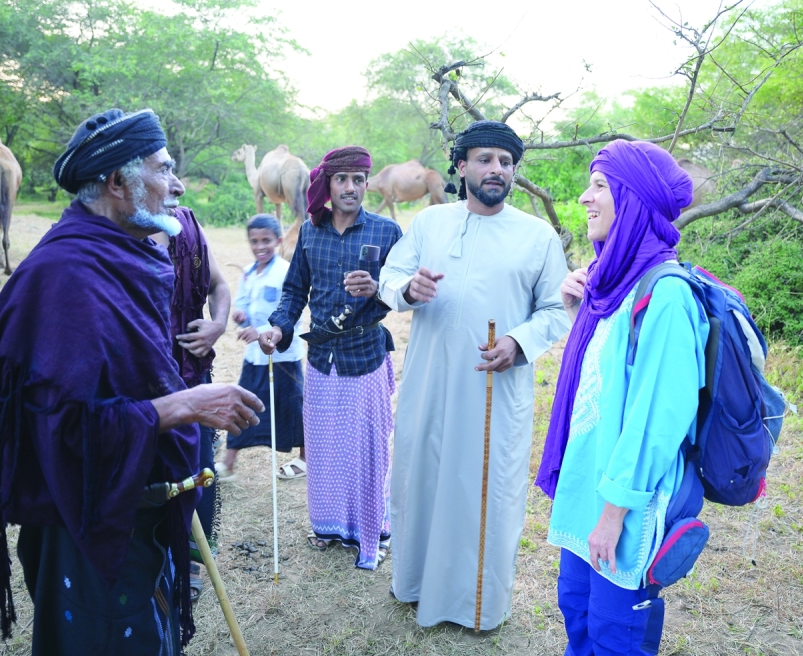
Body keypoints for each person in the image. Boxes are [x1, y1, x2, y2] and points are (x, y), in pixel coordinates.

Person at [0, 108, 264, 655]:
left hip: (136, 503)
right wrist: (184, 406)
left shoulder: (120, 255)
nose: (177, 183)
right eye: (163, 169)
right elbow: (61, 428)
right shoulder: (67, 275)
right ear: (116, 182)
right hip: (92, 517)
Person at [378, 120, 571, 630]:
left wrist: (518, 342)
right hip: (428, 384)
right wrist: (406, 290)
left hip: (494, 391)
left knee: (483, 490)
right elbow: (389, 278)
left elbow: (556, 310)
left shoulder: (538, 235)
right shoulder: (429, 223)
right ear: (461, 166)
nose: (497, 170)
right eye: (485, 159)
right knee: (421, 479)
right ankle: (415, 584)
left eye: (506, 163)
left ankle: (475, 606)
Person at [536, 139, 709, 655]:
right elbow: (605, 382)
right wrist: (577, 316)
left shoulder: (668, 295)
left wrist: (613, 516)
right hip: (587, 492)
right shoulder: (611, 286)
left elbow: (657, 419)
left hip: (625, 506)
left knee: (616, 637)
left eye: (600, 186)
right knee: (580, 616)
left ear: (632, 200)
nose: (585, 197)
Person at [258, 146, 402, 570]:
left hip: (365, 355)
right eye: (343, 179)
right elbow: (293, 292)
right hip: (320, 358)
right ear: (329, 183)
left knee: (369, 447)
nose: (352, 188)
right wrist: (280, 328)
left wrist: (376, 290)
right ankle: (329, 525)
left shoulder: (386, 232)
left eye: (359, 180)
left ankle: (372, 527)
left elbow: (401, 292)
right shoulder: (309, 232)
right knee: (321, 448)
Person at [151, 203, 230, 606]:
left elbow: (219, 286)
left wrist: (217, 325)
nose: (175, 185)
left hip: (192, 377)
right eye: (162, 171)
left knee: (201, 471)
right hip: (143, 389)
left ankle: (193, 563)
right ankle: (155, 561)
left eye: (172, 171)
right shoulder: (113, 237)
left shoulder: (185, 226)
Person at [220, 213, 306, 480]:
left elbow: (293, 313)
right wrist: (240, 316)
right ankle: (228, 464)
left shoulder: (285, 272)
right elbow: (243, 304)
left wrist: (262, 331)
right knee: (242, 404)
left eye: (266, 240)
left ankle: (305, 459)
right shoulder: (247, 273)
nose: (260, 247)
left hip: (283, 357)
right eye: (254, 241)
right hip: (255, 358)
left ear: (278, 240)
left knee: (294, 406)